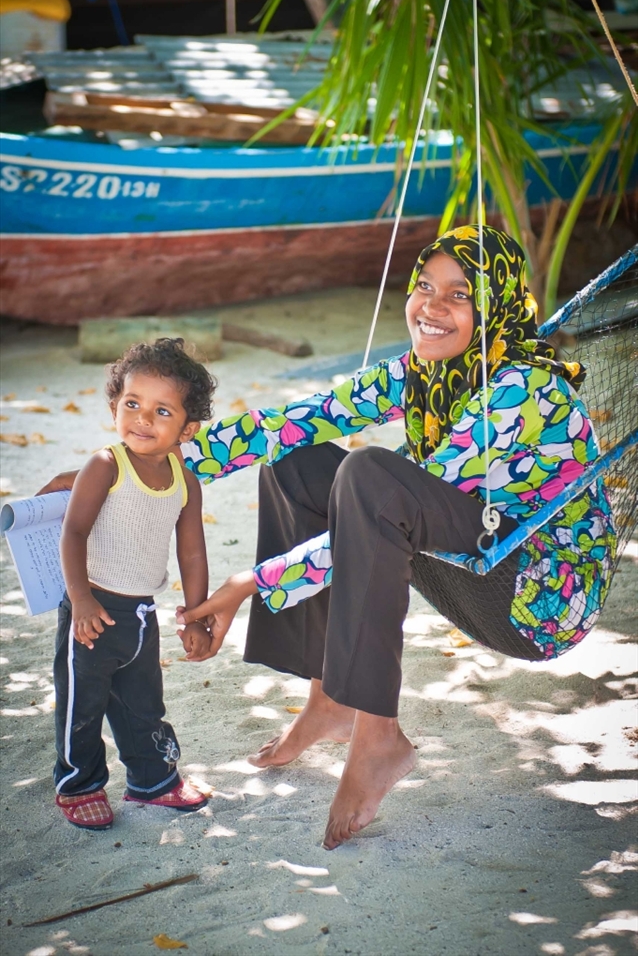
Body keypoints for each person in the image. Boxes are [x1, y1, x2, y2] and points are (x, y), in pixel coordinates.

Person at [175, 226, 616, 849]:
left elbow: (382, 509)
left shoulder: (525, 390)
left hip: (534, 598)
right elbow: (298, 422)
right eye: (425, 287)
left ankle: (378, 737)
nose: (432, 308)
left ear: (496, 308)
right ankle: (330, 700)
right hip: (472, 550)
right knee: (295, 461)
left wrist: (250, 582)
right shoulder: (424, 372)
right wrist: (169, 462)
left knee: (367, 475)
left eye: (461, 295)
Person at [54, 338, 216, 830]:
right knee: (82, 704)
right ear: (114, 407)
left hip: (141, 615)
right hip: (92, 609)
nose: (142, 419)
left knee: (143, 702)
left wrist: (196, 614)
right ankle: (78, 786)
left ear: (187, 428)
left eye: (161, 411)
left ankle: (153, 781)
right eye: (132, 404)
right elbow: (74, 532)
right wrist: (80, 598)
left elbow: (192, 552)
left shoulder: (185, 481)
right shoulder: (106, 465)